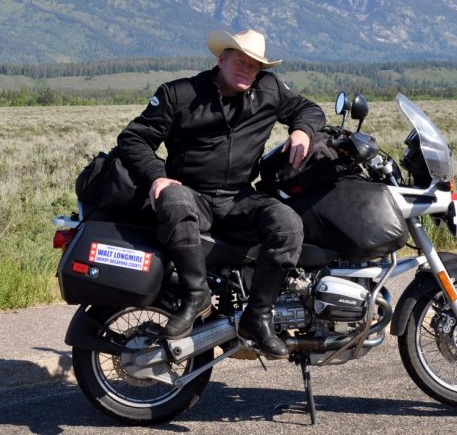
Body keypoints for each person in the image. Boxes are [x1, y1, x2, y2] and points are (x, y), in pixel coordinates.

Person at [117, 28, 325, 358]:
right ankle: (195, 295)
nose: (247, 69)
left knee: (287, 223)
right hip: (192, 194)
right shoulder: (179, 94)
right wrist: (157, 177)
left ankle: (258, 316)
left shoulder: (268, 89)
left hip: (239, 198)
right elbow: (134, 139)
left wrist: (302, 131)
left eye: (254, 65)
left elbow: (308, 109)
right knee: (173, 199)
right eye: (240, 61)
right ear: (221, 59)